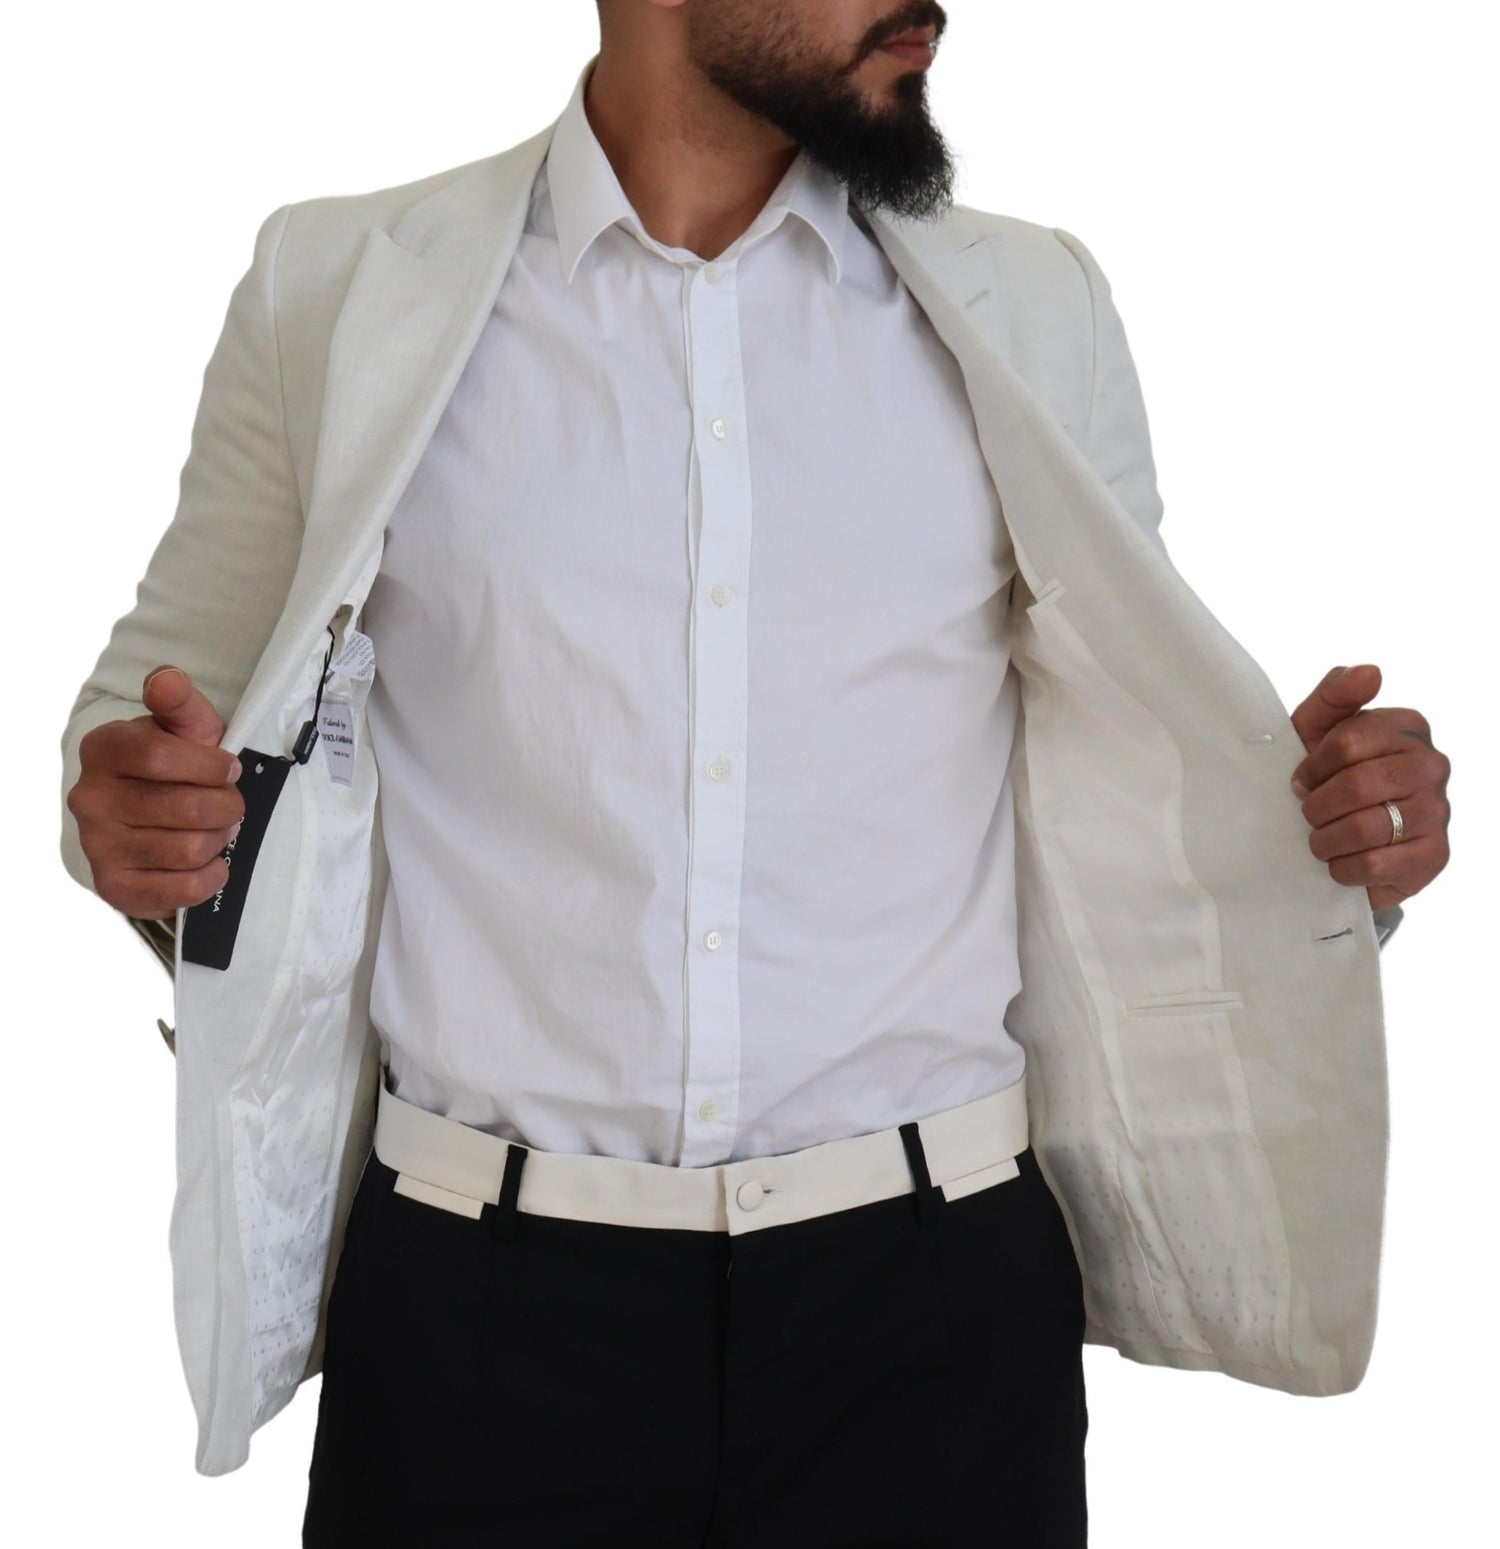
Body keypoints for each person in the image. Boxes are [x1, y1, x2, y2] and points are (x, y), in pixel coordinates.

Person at [58, 2, 1451, 1544]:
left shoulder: (1034, 306)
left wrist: (1323, 837)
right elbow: (153, 723)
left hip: (934, 1323)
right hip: (474, 1323)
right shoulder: (338, 292)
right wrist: (135, 821)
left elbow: (1134, 746)